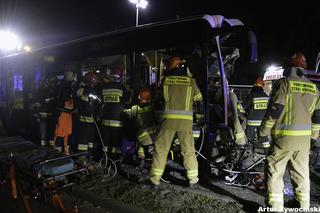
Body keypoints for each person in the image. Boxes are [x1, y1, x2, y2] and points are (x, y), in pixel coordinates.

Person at [259, 51, 320, 211]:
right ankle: (303, 206)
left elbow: (275, 110)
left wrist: (264, 131)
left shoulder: (284, 83)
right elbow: (317, 118)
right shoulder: (314, 88)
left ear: (289, 67)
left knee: (276, 171)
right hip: (304, 141)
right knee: (301, 173)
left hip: (283, 139)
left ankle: (275, 207)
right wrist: (313, 138)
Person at [149, 56, 204, 187]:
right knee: (188, 150)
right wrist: (200, 118)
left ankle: (155, 179)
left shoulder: (165, 81)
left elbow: (157, 101)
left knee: (161, 149)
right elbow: (200, 102)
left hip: (167, 122)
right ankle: (193, 179)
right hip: (186, 123)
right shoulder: (191, 82)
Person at [101, 67, 130, 160]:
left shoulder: (104, 87)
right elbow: (127, 100)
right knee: (116, 142)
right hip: (117, 119)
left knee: (106, 141)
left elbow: (100, 100)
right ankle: (115, 160)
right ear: (119, 77)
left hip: (105, 118)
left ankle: (104, 157)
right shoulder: (122, 88)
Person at [124, 88, 156, 164]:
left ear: (139, 97)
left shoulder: (135, 108)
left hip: (141, 136)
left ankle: (141, 158)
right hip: (154, 137)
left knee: (139, 142)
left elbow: (126, 113)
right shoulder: (153, 108)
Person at [76, 71, 101, 157]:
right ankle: (82, 156)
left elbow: (97, 103)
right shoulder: (83, 89)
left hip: (92, 119)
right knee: (83, 139)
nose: (95, 84)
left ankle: (90, 154)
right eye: (94, 83)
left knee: (91, 139)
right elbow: (82, 102)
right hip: (85, 119)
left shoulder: (92, 90)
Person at [53, 71, 76, 155]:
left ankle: (66, 152)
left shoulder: (67, 86)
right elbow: (61, 100)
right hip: (62, 113)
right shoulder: (63, 86)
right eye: (71, 76)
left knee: (67, 133)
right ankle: (57, 153)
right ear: (67, 76)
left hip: (67, 114)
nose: (73, 77)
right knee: (60, 133)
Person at [243, 76, 269, 141]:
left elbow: (243, 107)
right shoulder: (266, 96)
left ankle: (248, 149)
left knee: (248, 139)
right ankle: (265, 150)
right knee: (263, 137)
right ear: (262, 86)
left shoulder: (252, 95)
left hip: (251, 122)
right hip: (262, 122)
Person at [35, 75, 58, 146]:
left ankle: (51, 148)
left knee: (52, 133)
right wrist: (37, 114)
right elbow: (37, 103)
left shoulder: (56, 91)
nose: (53, 83)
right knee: (43, 134)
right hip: (44, 115)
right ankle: (43, 147)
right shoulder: (41, 91)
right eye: (51, 81)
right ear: (47, 82)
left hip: (52, 115)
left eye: (55, 81)